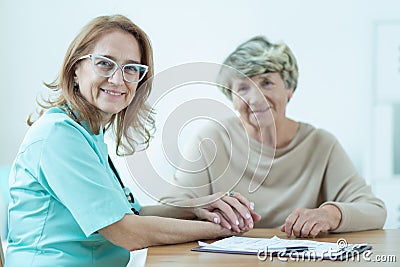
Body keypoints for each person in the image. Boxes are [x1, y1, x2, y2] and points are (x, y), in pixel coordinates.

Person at [5, 15, 260, 267]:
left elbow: (131, 213)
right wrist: (218, 232)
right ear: (74, 70)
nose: (118, 79)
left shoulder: (88, 134)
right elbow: (127, 231)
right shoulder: (58, 137)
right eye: (105, 64)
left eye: (131, 69)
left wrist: (197, 207)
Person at [160, 35, 387, 238]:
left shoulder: (320, 145)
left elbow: (374, 210)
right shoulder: (211, 140)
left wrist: (330, 214)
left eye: (266, 83)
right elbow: (169, 209)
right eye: (243, 88)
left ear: (289, 89)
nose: (256, 98)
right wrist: (202, 206)